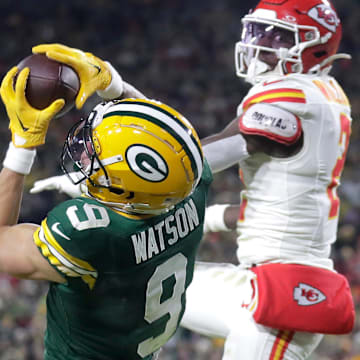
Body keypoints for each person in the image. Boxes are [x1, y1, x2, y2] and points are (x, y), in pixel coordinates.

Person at [28, 0, 356, 357]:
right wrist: (115, 85)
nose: (259, 41)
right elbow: (186, 154)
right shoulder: (323, 95)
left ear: (314, 45)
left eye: (276, 35)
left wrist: (98, 175)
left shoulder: (295, 95)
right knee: (139, 281)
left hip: (281, 296)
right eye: (258, 30)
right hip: (263, 279)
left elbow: (186, 159)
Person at [0, 58, 211, 359]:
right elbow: (166, 136)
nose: (85, 157)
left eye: (94, 155)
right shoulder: (191, 182)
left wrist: (21, 144)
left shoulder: (94, 234)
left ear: (125, 185)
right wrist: (114, 85)